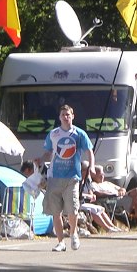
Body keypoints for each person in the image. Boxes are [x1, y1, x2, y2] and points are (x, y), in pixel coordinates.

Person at [41, 104, 95, 253]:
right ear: (59, 117)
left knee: (73, 209)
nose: (66, 117)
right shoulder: (53, 134)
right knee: (56, 212)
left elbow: (89, 151)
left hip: (72, 177)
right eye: (63, 115)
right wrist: (40, 160)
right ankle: (60, 242)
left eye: (68, 115)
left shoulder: (79, 134)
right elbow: (48, 152)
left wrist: (91, 167)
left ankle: (73, 233)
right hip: (54, 177)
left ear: (72, 116)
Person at [90, 165, 137, 230]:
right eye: (100, 174)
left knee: (136, 191)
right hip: (110, 201)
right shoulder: (93, 184)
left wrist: (122, 191)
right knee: (136, 197)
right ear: (94, 175)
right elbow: (98, 194)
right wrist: (114, 194)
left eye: (103, 174)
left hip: (119, 198)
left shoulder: (107, 183)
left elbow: (122, 189)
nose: (103, 175)